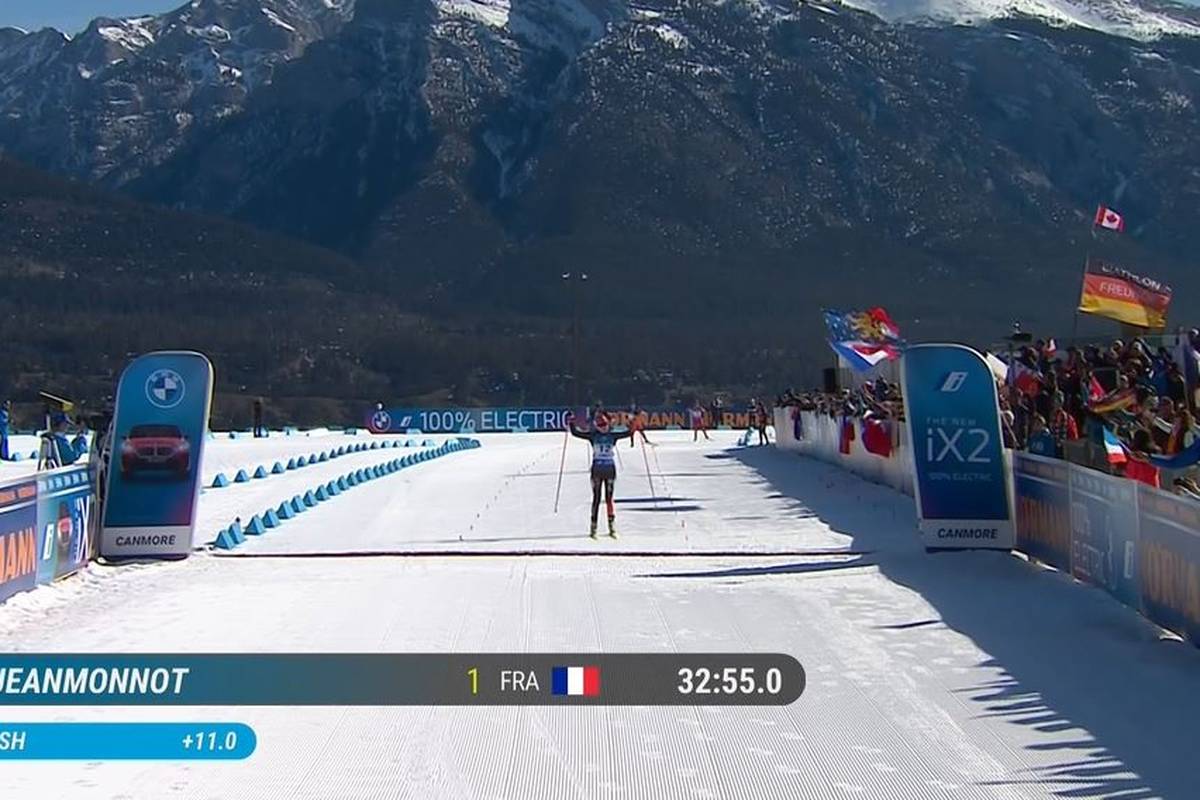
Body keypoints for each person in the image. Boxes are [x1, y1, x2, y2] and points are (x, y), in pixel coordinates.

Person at [569, 412, 633, 539]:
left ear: (608, 424)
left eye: (604, 424)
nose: (603, 427)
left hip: (609, 469)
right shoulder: (593, 436)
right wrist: (571, 422)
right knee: (597, 499)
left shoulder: (612, 436)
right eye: (600, 425)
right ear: (596, 426)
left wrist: (633, 423)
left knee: (609, 499)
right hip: (597, 470)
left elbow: (628, 433)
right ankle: (593, 528)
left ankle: (612, 527)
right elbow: (576, 433)